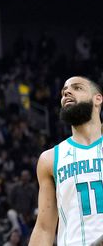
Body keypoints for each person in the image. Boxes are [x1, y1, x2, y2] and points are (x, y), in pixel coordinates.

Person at [29, 76, 103, 246]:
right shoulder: (50, 159)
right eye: (64, 92)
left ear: (97, 99)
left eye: (77, 88)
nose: (67, 92)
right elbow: (44, 229)